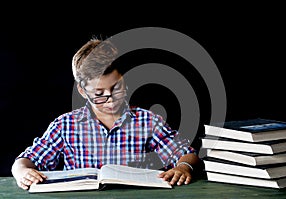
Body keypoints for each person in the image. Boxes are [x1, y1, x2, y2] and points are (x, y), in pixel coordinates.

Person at [11, 37, 201, 190]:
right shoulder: (65, 125)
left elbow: (186, 153)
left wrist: (183, 167)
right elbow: (27, 160)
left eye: (117, 88)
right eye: (99, 95)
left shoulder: (147, 121)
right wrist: (22, 172)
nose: (111, 100)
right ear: (83, 91)